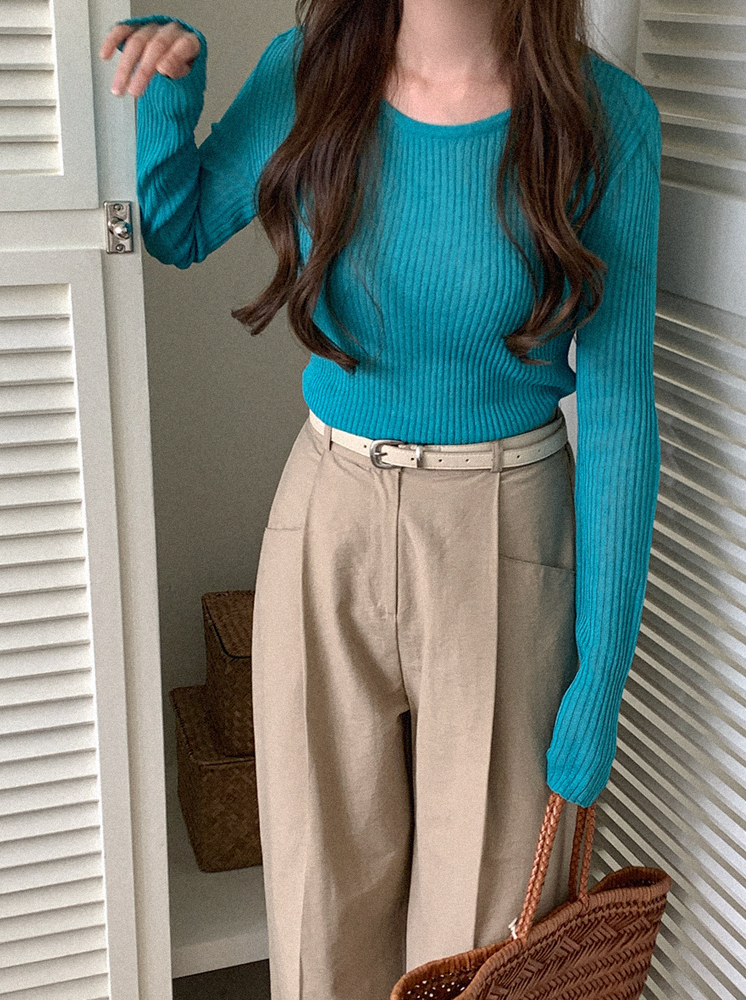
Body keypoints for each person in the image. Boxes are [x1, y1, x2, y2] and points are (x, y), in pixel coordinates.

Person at [100, 2, 661, 997]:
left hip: (506, 526)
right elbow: (178, 228)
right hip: (330, 511)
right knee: (319, 896)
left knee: (480, 933)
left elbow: (618, 406)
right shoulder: (308, 72)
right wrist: (169, 93)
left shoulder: (602, 117)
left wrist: (601, 676)